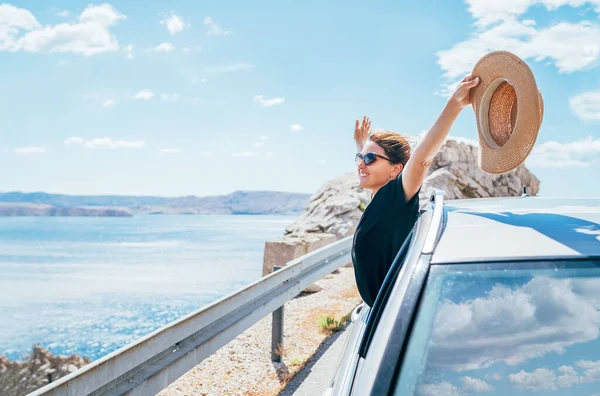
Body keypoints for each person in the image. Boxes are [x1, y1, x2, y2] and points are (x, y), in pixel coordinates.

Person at [351, 74, 480, 307]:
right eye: (359, 158)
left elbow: (421, 158)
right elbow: (371, 166)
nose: (361, 163)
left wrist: (455, 104)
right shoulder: (379, 197)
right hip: (382, 313)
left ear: (396, 170)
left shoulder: (396, 199)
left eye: (369, 158)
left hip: (396, 315)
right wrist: (363, 147)